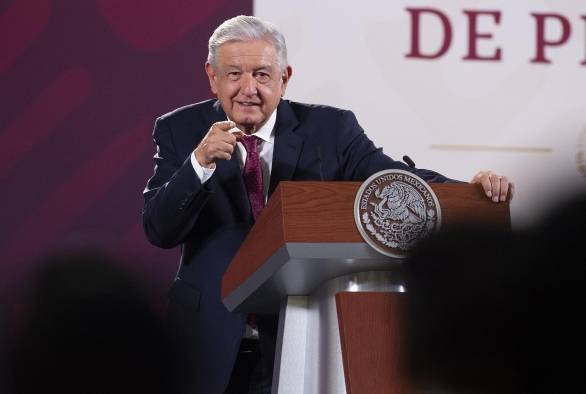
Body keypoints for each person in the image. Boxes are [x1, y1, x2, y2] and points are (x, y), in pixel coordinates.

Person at [142, 15, 514, 394]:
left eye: (262, 75)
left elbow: (391, 181)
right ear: (212, 76)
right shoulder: (180, 130)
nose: (248, 89)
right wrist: (198, 164)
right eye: (234, 74)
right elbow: (158, 228)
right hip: (205, 341)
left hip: (299, 337)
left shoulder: (330, 130)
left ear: (285, 77)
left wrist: (469, 191)